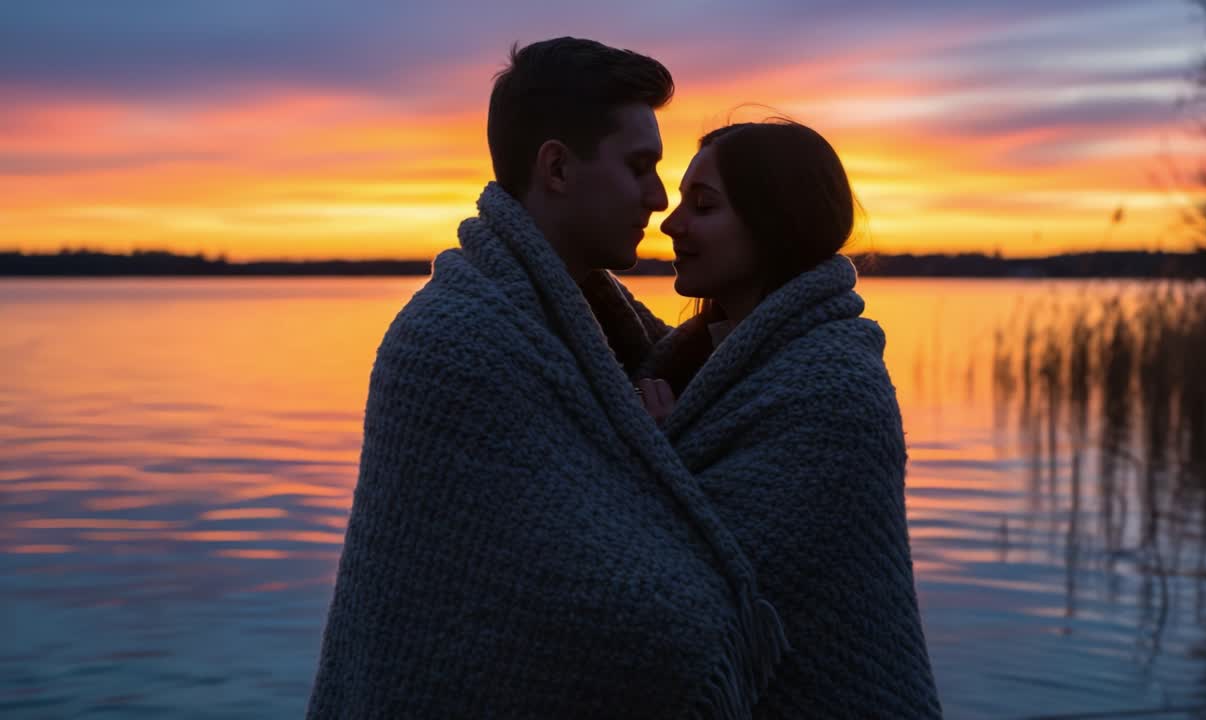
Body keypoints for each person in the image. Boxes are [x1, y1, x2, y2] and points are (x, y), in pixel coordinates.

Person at [307, 38, 788, 719]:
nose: (658, 199)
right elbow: (581, 604)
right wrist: (649, 460)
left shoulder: (608, 340)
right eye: (640, 167)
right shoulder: (454, 344)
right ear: (557, 167)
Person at [582, 120, 942, 716]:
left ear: (774, 223)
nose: (671, 224)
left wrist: (656, 457)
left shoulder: (836, 391)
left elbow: (717, 586)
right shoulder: (705, 360)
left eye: (703, 206)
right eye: (679, 201)